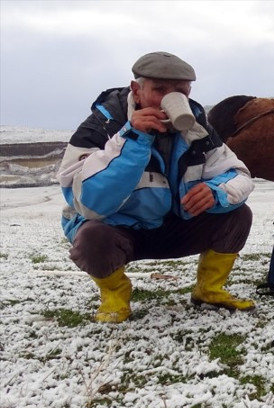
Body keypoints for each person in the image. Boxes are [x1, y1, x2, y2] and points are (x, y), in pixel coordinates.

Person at [57, 52, 256, 323]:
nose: (170, 99)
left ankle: (209, 290)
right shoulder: (101, 127)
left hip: (175, 226)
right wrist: (133, 138)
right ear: (136, 90)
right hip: (120, 230)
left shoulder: (197, 127)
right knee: (92, 237)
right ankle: (115, 297)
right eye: (160, 90)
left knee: (237, 214)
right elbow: (90, 203)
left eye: (180, 92)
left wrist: (215, 191)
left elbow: (239, 175)